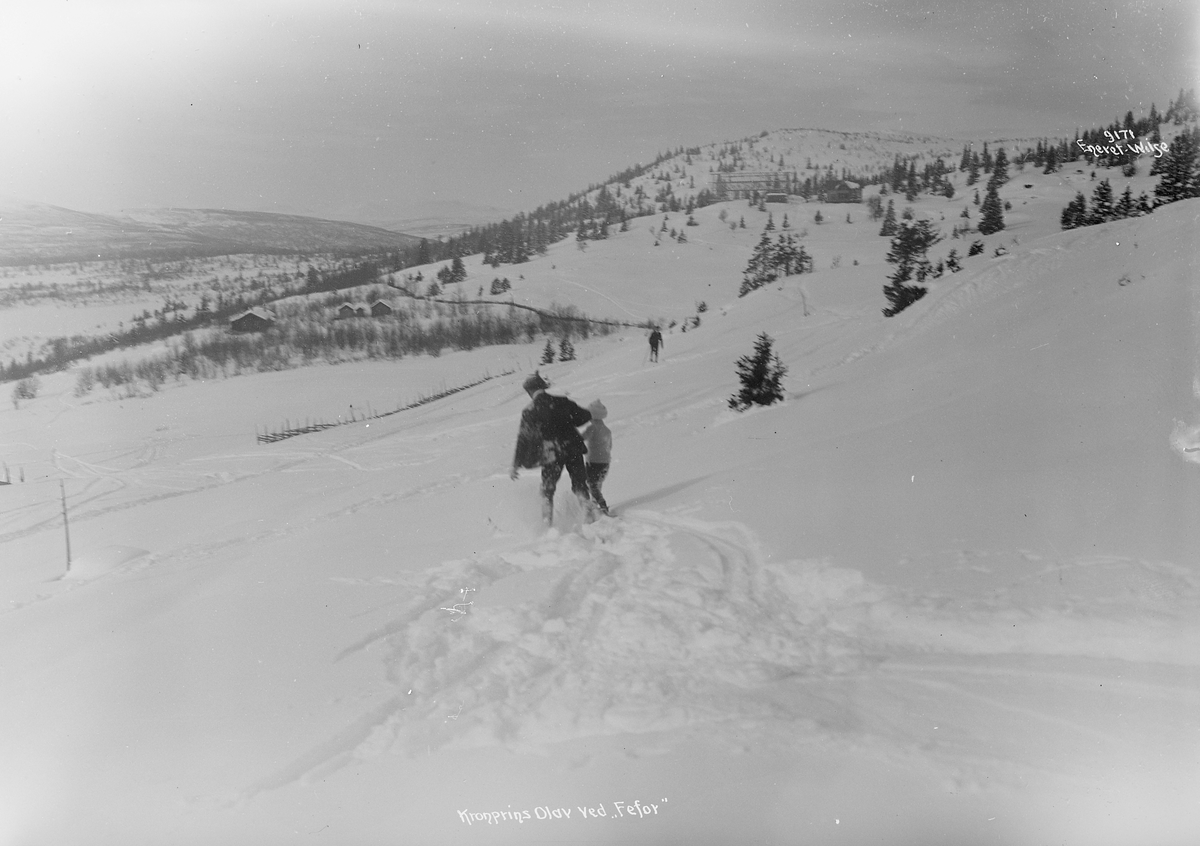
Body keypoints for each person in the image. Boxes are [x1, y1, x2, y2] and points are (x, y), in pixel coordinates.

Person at [510, 372, 596, 526]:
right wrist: (586, 413)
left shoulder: (529, 411)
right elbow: (582, 417)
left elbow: (523, 438)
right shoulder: (562, 401)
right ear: (542, 387)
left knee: (547, 490)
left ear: (529, 391)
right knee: (579, 484)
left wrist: (515, 463)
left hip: (551, 454)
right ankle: (588, 514)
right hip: (572, 448)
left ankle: (547, 524)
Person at [581, 400, 611, 515]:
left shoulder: (592, 428)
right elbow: (610, 446)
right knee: (597, 484)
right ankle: (596, 505)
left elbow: (581, 438)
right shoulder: (607, 430)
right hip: (606, 461)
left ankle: (602, 506)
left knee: (591, 484)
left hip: (593, 461)